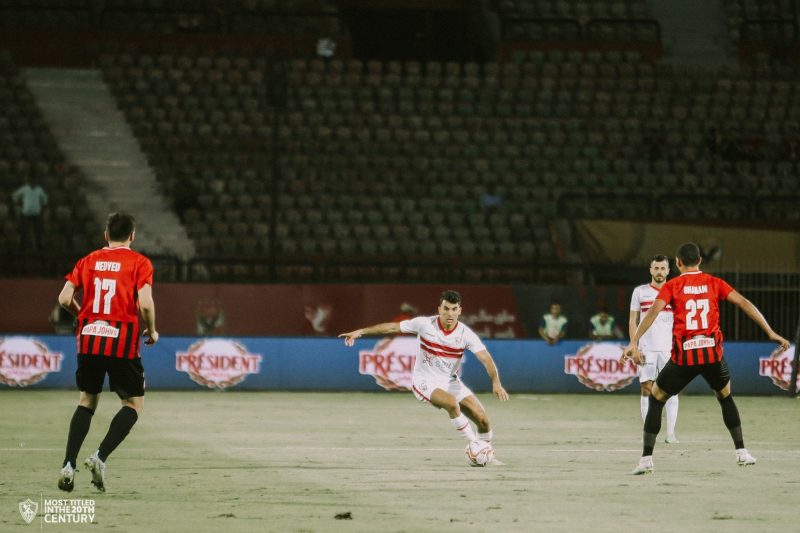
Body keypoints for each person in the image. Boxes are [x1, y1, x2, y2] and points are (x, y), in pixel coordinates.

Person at [622, 242, 789, 475]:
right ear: (700, 261)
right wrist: (770, 332)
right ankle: (742, 452)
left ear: (677, 263)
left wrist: (633, 341)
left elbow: (651, 313)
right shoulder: (714, 283)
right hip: (712, 356)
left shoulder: (672, 285)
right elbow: (744, 303)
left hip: (684, 358)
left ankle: (646, 460)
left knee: (657, 398)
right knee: (725, 397)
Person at [339, 290, 509, 463]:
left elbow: (486, 359)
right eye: (446, 309)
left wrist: (496, 383)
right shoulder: (424, 324)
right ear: (439, 309)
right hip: (424, 381)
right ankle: (475, 445)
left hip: (450, 381)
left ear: (460, 311)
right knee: (451, 403)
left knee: (482, 419)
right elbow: (392, 327)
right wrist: (361, 331)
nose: (450, 314)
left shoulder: (466, 334)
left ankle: (487, 455)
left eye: (454, 309)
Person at [56, 212, 158, 492]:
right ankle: (99, 457)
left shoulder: (88, 260)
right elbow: (145, 303)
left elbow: (64, 298)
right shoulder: (140, 263)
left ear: (106, 235)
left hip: (89, 339)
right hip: (121, 341)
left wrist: (82, 316)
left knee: (87, 400)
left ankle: (68, 465)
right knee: (133, 404)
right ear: (132, 236)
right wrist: (152, 330)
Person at [627, 254, 679, 444]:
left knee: (671, 390)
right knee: (646, 388)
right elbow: (633, 321)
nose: (659, 271)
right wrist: (634, 346)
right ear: (651, 270)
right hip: (646, 348)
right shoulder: (640, 292)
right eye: (656, 268)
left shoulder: (675, 291)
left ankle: (670, 433)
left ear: (668, 271)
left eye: (663, 268)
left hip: (669, 349)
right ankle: (649, 430)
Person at [11, 175, 47, 250]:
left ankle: (39, 246)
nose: (33, 182)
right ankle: (22, 246)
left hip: (36, 213)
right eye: (31, 180)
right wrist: (18, 203)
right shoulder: (24, 189)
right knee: (24, 230)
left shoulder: (39, 189)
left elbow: (45, 199)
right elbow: (14, 195)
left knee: (37, 230)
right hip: (26, 213)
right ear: (28, 181)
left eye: (34, 180)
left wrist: (42, 205)